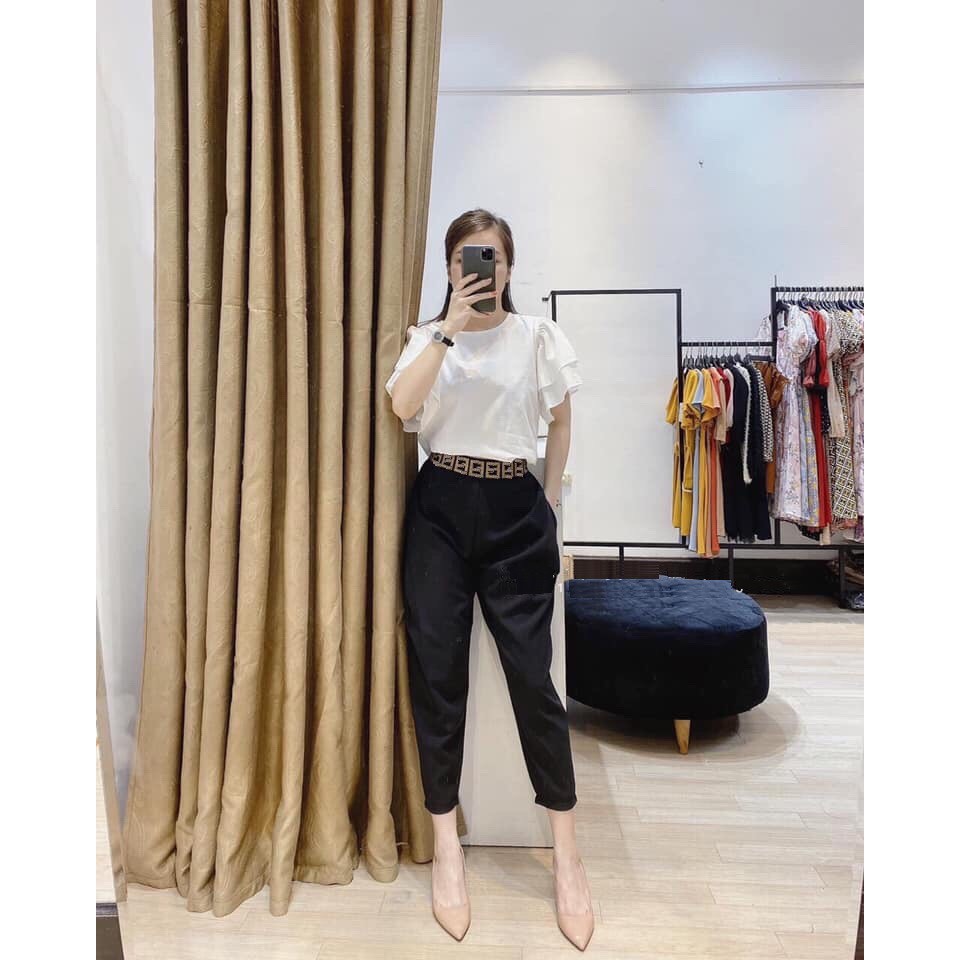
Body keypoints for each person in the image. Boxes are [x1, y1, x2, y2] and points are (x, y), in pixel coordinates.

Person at [385, 208, 594, 950]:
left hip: (514, 510)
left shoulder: (538, 337)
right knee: (438, 677)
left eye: (493, 258)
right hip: (440, 510)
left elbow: (561, 421)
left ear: (510, 266)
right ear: (450, 269)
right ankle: (447, 848)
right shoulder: (426, 339)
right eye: (467, 259)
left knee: (534, 680)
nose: (482, 270)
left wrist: (549, 496)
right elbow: (402, 408)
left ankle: (567, 855)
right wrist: (447, 329)